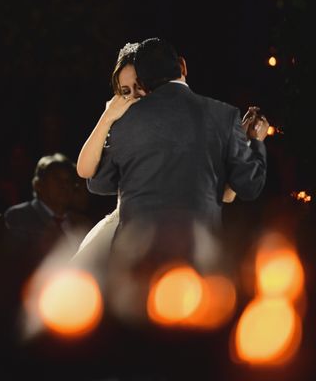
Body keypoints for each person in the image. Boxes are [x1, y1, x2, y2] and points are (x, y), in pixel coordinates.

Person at [72, 41, 268, 272]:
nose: (135, 96)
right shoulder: (124, 122)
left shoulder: (200, 121)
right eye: (126, 91)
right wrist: (107, 118)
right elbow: (90, 176)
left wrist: (241, 145)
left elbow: (224, 194)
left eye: (139, 86)